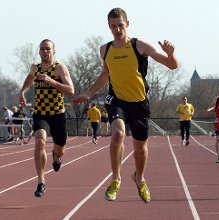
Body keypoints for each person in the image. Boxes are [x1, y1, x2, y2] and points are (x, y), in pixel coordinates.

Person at [72, 7, 177, 203]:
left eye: (120, 26)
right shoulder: (105, 49)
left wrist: (170, 53)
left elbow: (172, 65)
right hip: (116, 99)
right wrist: (88, 94)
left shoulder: (140, 46)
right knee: (118, 133)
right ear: (109, 27)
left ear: (127, 24)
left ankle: (139, 178)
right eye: (113, 26)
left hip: (139, 103)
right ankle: (116, 179)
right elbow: (105, 75)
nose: (117, 30)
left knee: (140, 150)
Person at [19, 39, 74, 197]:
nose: (45, 52)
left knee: (60, 149)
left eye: (48, 49)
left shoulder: (59, 68)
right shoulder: (35, 68)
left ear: (53, 51)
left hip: (57, 113)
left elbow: (70, 90)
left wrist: (51, 81)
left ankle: (56, 158)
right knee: (39, 141)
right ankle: (41, 181)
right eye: (42, 49)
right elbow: (30, 78)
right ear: (39, 51)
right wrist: (22, 91)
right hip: (40, 113)